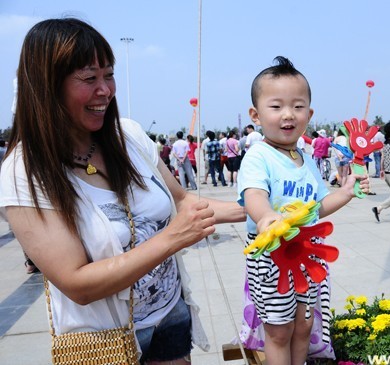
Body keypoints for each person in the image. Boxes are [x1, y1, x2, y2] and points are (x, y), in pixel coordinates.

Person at [0, 18, 245, 365]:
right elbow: (77, 284)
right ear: (46, 86)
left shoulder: (127, 135)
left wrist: (255, 208)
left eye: (109, 75)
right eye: (89, 78)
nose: (106, 90)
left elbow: (182, 199)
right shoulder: (24, 172)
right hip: (107, 338)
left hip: (169, 313)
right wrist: (172, 238)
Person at [238, 56, 370, 365]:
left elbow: (318, 208)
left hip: (306, 253)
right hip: (272, 253)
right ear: (256, 115)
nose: (288, 114)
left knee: (303, 325)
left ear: (309, 114)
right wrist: (266, 216)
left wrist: (346, 191)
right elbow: (254, 195)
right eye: (276, 106)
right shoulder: (259, 156)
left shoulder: (305, 157)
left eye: (298, 106)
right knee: (279, 331)